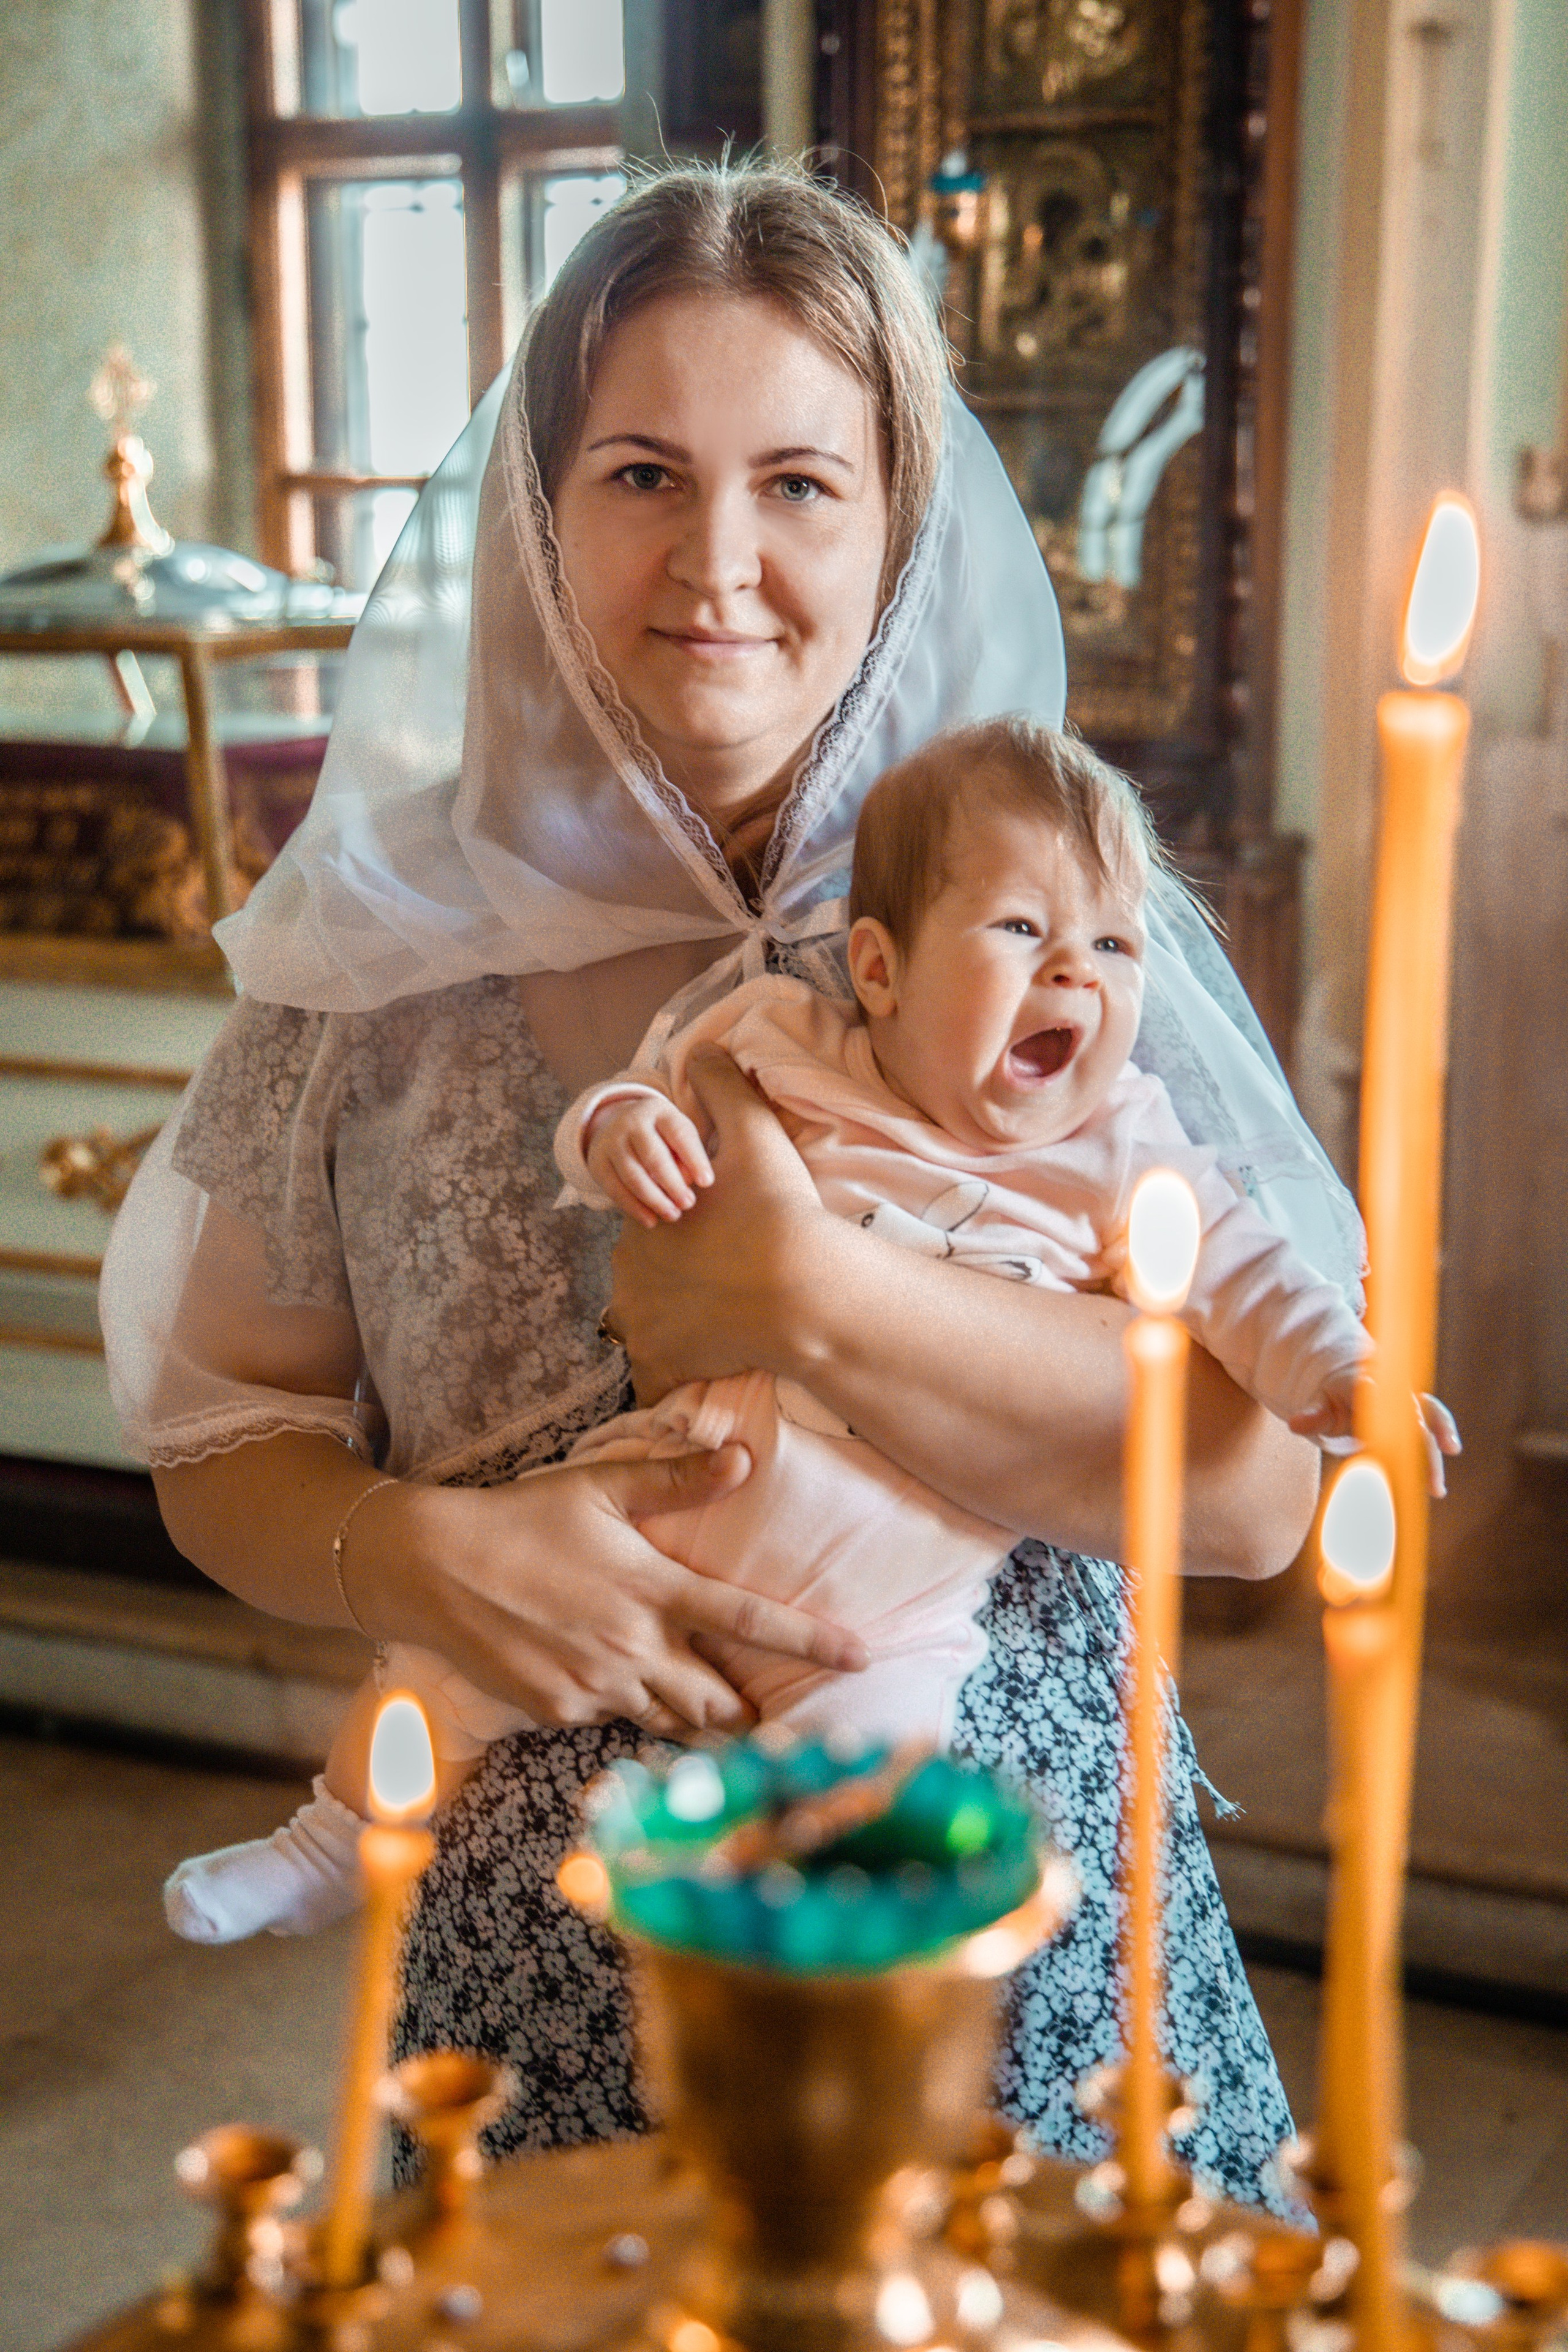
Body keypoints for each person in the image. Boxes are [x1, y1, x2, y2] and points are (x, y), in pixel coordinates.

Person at [103, 162, 1348, 2206]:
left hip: (1002, 1939)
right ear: (538, 508)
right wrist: (417, 1556)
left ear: (899, 523)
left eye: (799, 482)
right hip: (548, 1995)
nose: (721, 561)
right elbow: (222, 1436)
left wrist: (807, 1296)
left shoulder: (1054, 922)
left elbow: (1255, 1499)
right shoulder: (385, 954)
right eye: (641, 475)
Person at [160, 718, 1459, 1950]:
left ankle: (760, 1960)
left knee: (864, 1768)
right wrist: (619, 1133)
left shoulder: (1125, 1144)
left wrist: (1341, 1373)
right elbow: (639, 1098)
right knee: (441, 1672)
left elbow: (1253, 1284)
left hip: (890, 1601)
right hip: (675, 1485)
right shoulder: (788, 1042)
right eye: (1021, 929)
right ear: (880, 968)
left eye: (1114, 947)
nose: (1076, 972)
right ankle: (332, 1841)